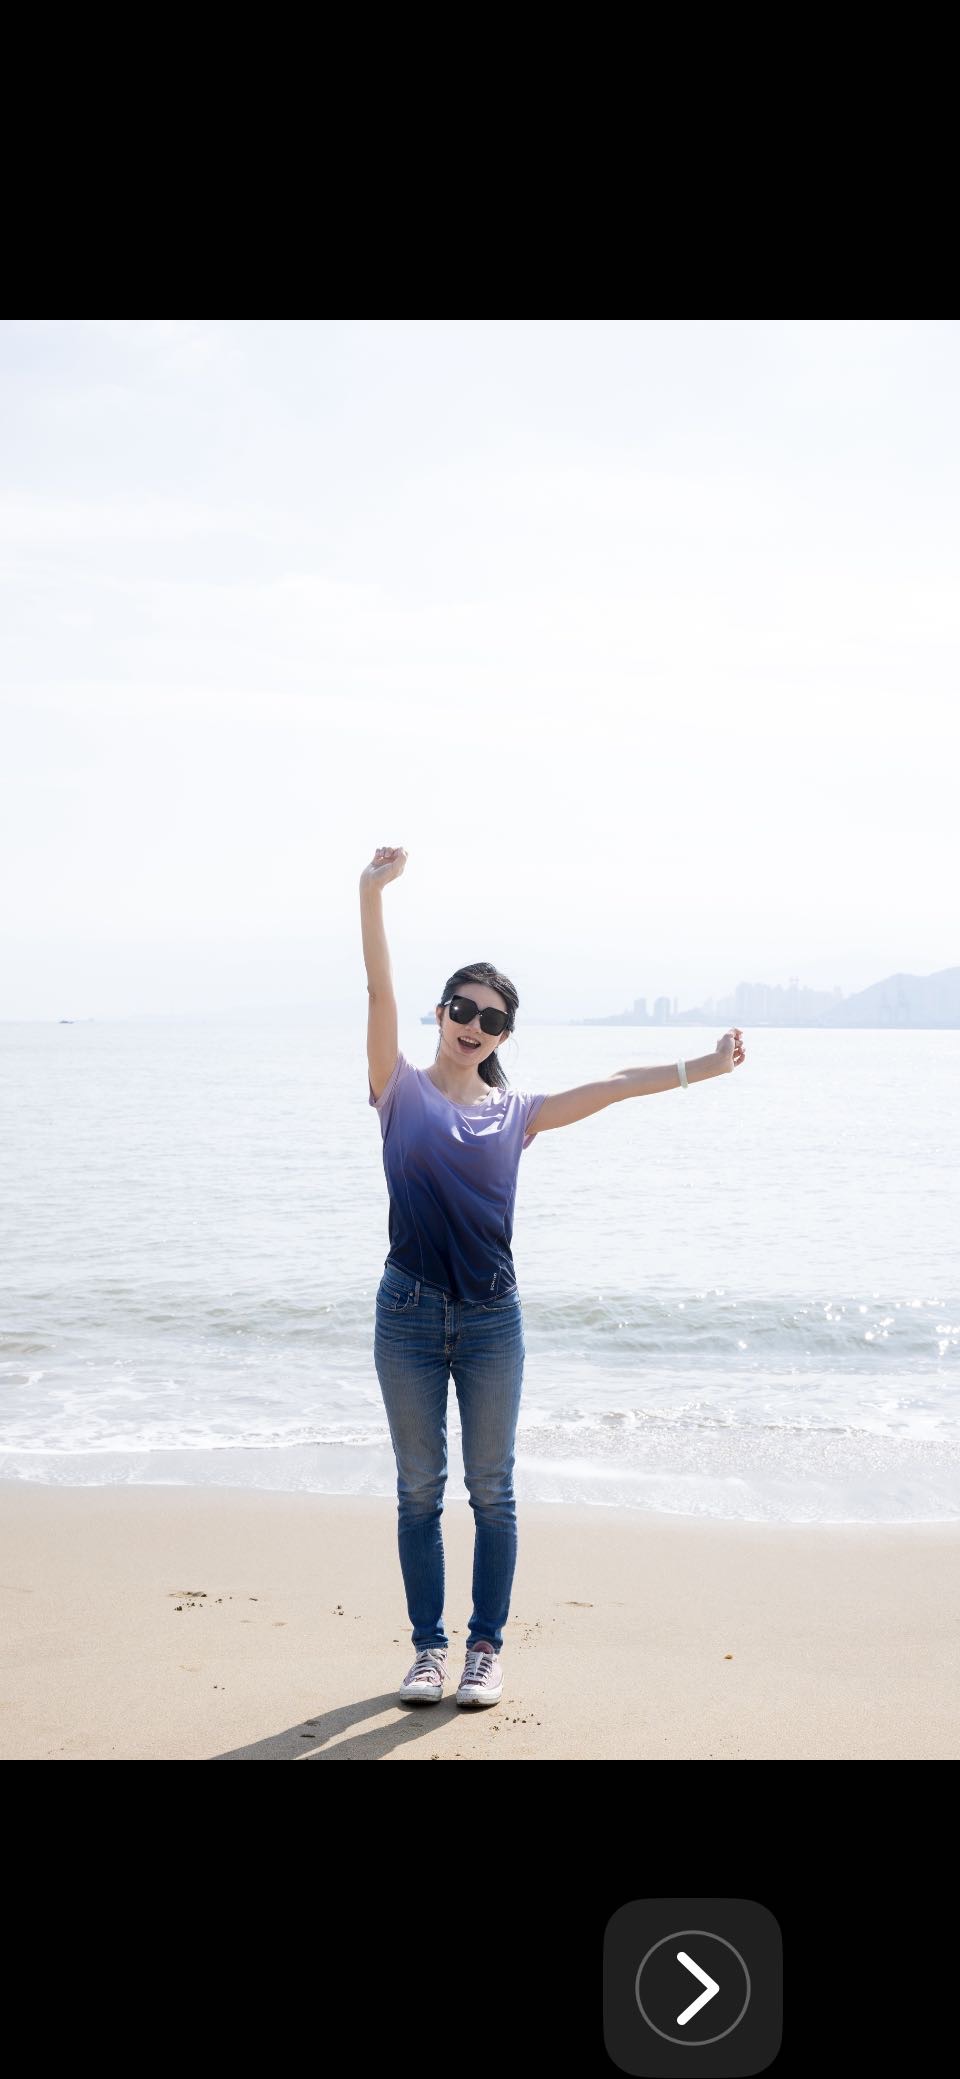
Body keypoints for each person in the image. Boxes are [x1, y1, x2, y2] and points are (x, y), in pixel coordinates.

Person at [360, 845, 746, 1712]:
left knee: (491, 1490)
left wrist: (703, 1066)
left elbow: (614, 1085)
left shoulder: (516, 1113)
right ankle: (427, 1651)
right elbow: (379, 992)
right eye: (463, 1008)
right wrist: (371, 893)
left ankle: (483, 1650)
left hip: (492, 1320)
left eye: (492, 1018)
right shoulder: (397, 1090)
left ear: (503, 1036)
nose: (474, 1024)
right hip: (407, 1312)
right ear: (441, 1012)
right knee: (418, 1490)